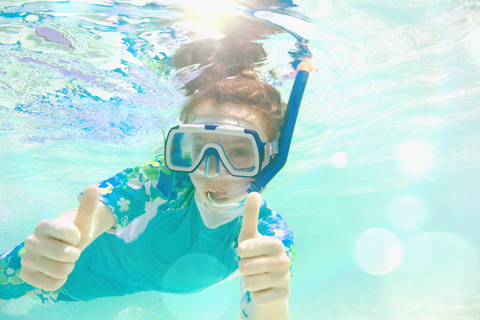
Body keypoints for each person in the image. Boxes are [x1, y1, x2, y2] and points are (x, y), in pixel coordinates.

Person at [0, 76, 295, 320]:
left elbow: (263, 310)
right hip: (57, 265)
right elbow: (100, 209)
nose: (211, 170)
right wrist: (63, 236)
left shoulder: (268, 239)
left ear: (269, 159)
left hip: (82, 289)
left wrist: (270, 303)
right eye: (199, 148)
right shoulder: (165, 179)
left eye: (239, 152)